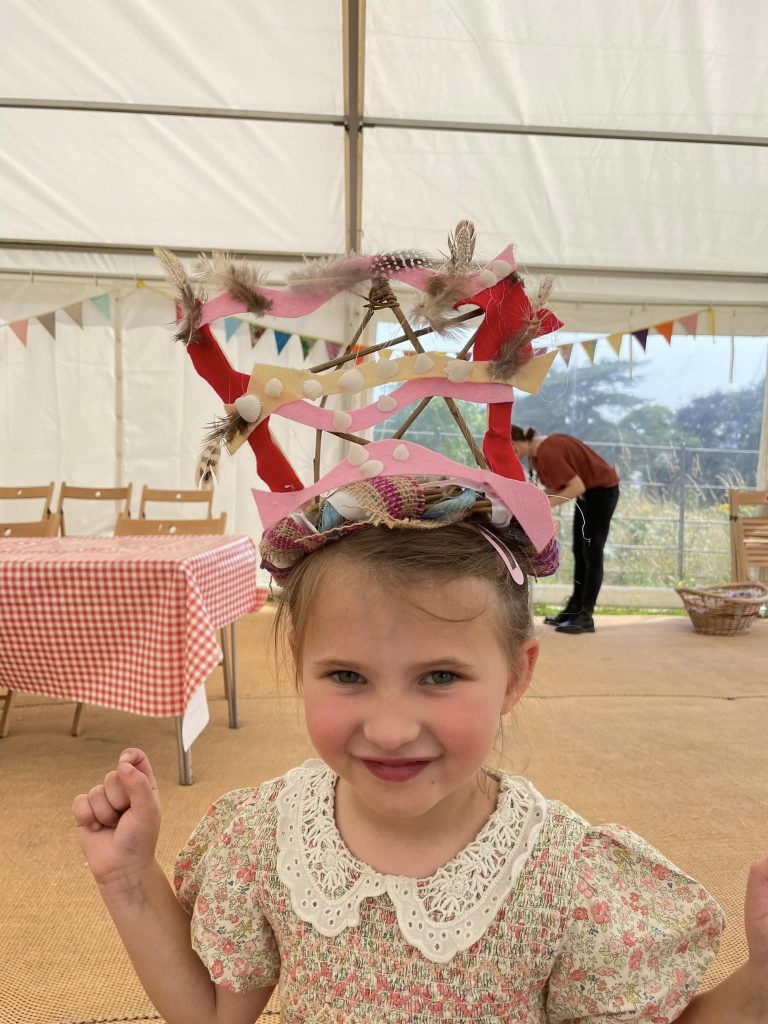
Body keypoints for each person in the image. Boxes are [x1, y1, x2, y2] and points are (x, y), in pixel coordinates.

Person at [72, 469, 768, 1024]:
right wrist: (128, 878)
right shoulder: (263, 837)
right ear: (296, 659)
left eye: (439, 677)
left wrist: (758, 987)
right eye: (348, 676)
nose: (391, 728)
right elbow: (212, 1015)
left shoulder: (567, 879)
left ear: (516, 675)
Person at [511, 426, 620, 635]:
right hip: (590, 493)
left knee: (592, 552)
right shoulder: (539, 452)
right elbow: (560, 487)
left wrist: (543, 506)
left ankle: (586, 616)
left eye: (512, 448)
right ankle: (574, 609)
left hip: (601, 492)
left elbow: (576, 486)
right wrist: (533, 501)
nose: (512, 453)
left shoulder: (547, 450)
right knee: (580, 551)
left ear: (516, 443)